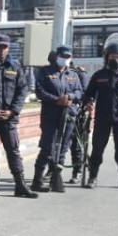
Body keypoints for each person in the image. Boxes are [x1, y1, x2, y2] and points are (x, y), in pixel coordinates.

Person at [0, 34, 37, 199]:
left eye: (4, 47)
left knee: (13, 150)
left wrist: (13, 111)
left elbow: (22, 90)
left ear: (8, 48)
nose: (1, 50)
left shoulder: (15, 66)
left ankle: (20, 184)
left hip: (9, 117)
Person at [81, 41, 118, 189]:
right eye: (112, 56)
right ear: (107, 57)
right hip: (102, 118)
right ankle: (93, 178)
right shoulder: (99, 75)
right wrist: (89, 102)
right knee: (97, 149)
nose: (115, 59)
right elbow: (88, 94)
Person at [33, 45, 85, 194]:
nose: (65, 59)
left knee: (63, 148)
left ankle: (56, 177)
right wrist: (56, 99)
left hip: (68, 114)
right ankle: (37, 181)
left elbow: (79, 91)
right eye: (63, 56)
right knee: (48, 147)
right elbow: (40, 91)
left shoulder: (73, 74)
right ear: (56, 56)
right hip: (51, 114)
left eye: (68, 57)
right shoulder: (45, 71)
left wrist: (70, 97)